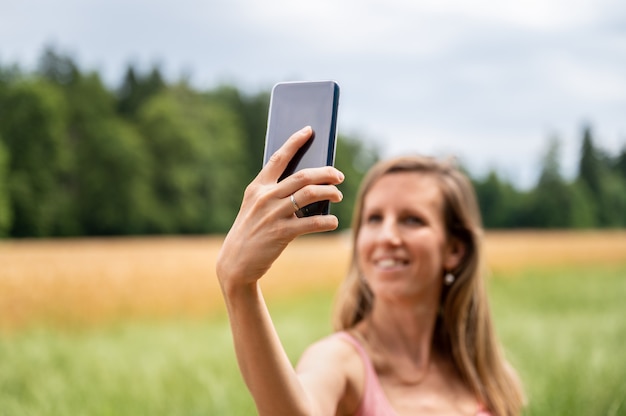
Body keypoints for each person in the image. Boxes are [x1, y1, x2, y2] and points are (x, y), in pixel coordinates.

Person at [216, 126, 525, 415]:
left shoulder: (486, 377)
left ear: (454, 250)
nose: (386, 237)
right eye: (374, 219)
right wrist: (240, 286)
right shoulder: (341, 361)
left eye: (412, 219)